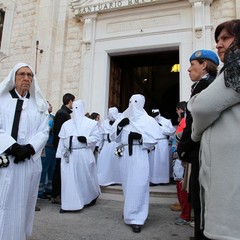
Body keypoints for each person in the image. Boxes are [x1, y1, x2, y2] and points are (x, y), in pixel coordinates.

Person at [188, 19, 240, 240]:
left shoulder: (236, 68)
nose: (218, 44)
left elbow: (200, 108)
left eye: (225, 38)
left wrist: (195, 133)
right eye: (217, 39)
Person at [0, 63, 49, 240]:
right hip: (5, 160)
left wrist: (29, 148)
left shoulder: (39, 105)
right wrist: (12, 146)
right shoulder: (1, 100)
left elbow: (44, 131)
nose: (26, 78)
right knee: (3, 201)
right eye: (22, 74)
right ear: (14, 77)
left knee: (24, 203)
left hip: (29, 162)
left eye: (30, 75)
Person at [177, 49, 219, 239]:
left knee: (200, 198)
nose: (188, 69)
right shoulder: (205, 84)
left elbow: (194, 124)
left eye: (192, 65)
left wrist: (183, 149)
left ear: (203, 65)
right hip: (199, 149)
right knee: (197, 197)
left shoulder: (205, 86)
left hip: (200, 150)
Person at [109, 94, 161, 233]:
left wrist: (140, 137)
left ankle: (137, 218)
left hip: (139, 153)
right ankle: (129, 211)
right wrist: (120, 126)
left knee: (139, 183)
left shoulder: (148, 120)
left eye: (136, 101)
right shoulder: (122, 118)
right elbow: (112, 136)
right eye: (131, 101)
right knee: (127, 184)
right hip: (125, 153)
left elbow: (155, 139)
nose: (133, 104)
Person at [56, 99, 101, 213]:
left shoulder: (91, 123)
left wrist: (86, 139)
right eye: (74, 108)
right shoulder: (66, 124)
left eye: (78, 108)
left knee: (84, 178)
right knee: (69, 180)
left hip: (83, 154)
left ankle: (90, 197)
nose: (76, 111)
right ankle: (69, 204)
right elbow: (62, 140)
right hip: (69, 156)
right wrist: (60, 155)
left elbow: (96, 138)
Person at [52, 93, 75, 204]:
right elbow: (59, 133)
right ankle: (56, 195)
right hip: (60, 148)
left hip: (62, 148)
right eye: (73, 101)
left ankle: (58, 193)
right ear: (70, 101)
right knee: (58, 171)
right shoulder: (62, 114)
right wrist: (61, 149)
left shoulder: (65, 113)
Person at [171, 101, 191, 226]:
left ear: (180, 109)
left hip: (181, 158)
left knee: (182, 187)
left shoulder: (185, 120)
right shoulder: (183, 120)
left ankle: (185, 215)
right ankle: (185, 212)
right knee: (180, 186)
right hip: (178, 156)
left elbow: (183, 137)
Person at [149, 109, 176, 185]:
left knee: (162, 161)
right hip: (153, 142)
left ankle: (163, 180)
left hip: (162, 143)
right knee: (153, 162)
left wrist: (162, 128)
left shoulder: (166, 121)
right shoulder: (150, 121)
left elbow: (172, 131)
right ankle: (153, 180)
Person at [97, 107, 121, 186]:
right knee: (104, 162)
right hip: (107, 145)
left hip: (117, 145)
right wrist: (98, 146)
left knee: (117, 162)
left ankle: (117, 179)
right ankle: (105, 180)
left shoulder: (120, 122)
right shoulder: (104, 123)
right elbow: (100, 135)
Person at [38, 101, 56, 199]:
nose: (51, 106)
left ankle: (49, 188)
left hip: (53, 146)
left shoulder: (53, 117)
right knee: (44, 168)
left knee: (52, 168)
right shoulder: (42, 117)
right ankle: (40, 191)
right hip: (45, 146)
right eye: (49, 105)